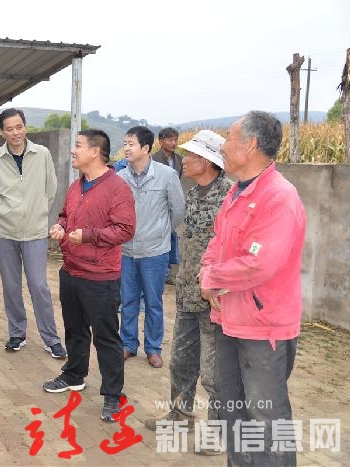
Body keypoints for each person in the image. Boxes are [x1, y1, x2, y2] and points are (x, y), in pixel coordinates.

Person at [200, 111, 306, 466]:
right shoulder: (236, 192)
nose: (223, 146)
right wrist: (207, 272)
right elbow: (216, 242)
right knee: (233, 413)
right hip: (229, 320)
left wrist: (212, 278)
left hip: (263, 328)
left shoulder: (279, 197)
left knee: (267, 420)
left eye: (229, 138)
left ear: (251, 144)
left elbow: (260, 264)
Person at [144, 131, 232, 453]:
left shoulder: (229, 197)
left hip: (214, 299)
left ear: (207, 162)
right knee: (181, 361)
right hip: (187, 294)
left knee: (214, 372)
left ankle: (221, 432)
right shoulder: (193, 194)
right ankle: (180, 414)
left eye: (192, 156)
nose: (185, 160)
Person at [42, 129, 136, 422]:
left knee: (106, 337)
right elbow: (65, 215)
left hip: (100, 276)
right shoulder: (76, 186)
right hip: (71, 270)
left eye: (79, 145)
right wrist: (60, 226)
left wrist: (89, 235)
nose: (73, 150)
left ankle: (112, 394)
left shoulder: (117, 188)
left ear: (95, 151)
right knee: (75, 329)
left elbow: (125, 230)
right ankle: (74, 374)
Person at [0, 108, 66, 358]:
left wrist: (37, 213)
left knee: (39, 285)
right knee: (11, 285)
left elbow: (51, 190)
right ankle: (17, 333)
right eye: (9, 129)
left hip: (35, 231)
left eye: (19, 127)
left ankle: (51, 338)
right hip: (4, 232)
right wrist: (5, 213)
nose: (15, 133)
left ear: (25, 127)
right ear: (2, 132)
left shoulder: (42, 154)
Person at [117, 126, 185, 368]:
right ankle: (127, 343)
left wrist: (161, 232)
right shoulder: (120, 178)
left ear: (145, 148)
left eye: (131, 144)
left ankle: (153, 348)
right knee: (128, 301)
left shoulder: (167, 175)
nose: (126, 148)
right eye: (125, 143)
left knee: (154, 302)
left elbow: (178, 210)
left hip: (155, 252)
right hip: (126, 251)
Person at [152, 127, 184, 285]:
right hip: (158, 202)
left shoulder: (180, 160)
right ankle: (162, 272)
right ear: (161, 141)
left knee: (171, 235)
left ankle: (168, 272)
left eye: (176, 139)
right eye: (170, 139)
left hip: (172, 202)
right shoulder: (153, 159)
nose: (174, 143)